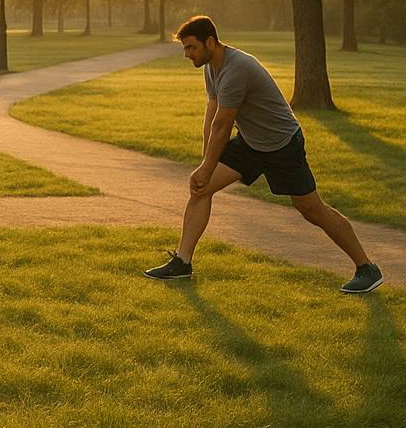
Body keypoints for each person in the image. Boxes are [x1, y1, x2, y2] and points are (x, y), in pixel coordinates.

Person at [144, 15, 383, 293]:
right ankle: (182, 262)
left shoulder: (237, 68)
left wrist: (209, 167)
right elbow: (212, 113)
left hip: (282, 144)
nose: (187, 54)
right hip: (251, 142)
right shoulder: (211, 66)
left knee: (310, 208)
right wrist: (205, 165)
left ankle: (367, 267)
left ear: (210, 41)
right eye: (184, 48)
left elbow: (223, 125)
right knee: (201, 188)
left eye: (191, 47)